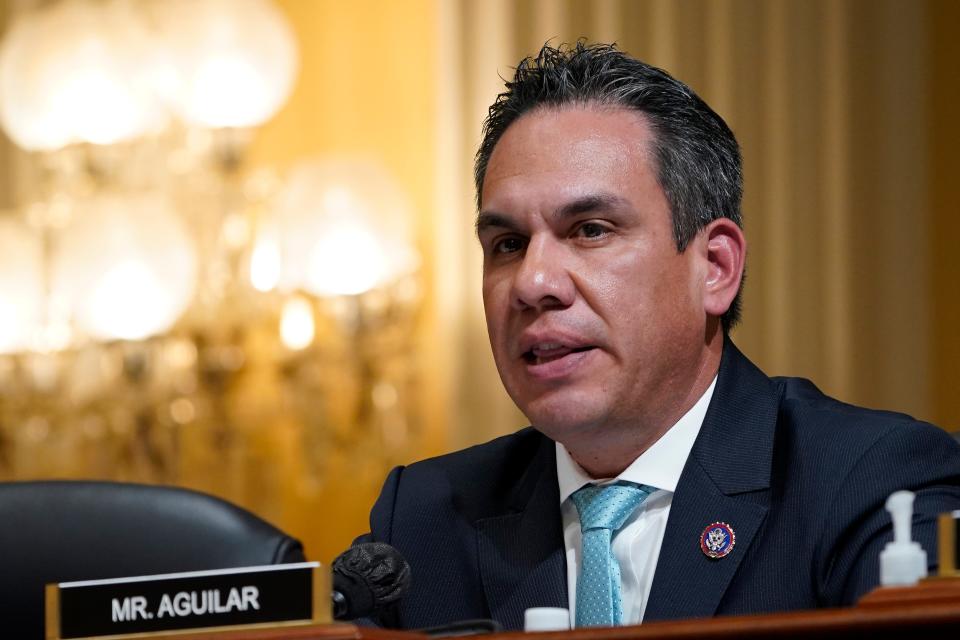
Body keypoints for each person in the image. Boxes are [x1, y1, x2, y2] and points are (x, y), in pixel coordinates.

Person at [356, 42, 960, 631]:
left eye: (590, 230)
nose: (533, 282)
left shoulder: (871, 483)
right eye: (507, 245)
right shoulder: (424, 521)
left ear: (715, 268)